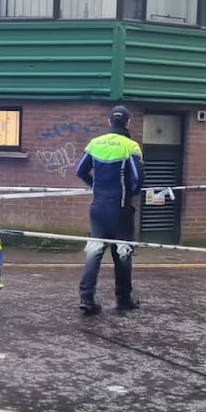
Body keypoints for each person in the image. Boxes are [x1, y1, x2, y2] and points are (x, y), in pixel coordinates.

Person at [74, 106, 144, 315]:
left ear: (108, 122)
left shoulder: (95, 143)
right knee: (122, 252)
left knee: (94, 252)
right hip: (120, 207)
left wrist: (94, 185)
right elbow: (138, 179)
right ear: (128, 123)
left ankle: (87, 298)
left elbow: (80, 171)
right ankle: (123, 298)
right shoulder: (130, 146)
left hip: (98, 207)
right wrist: (129, 194)